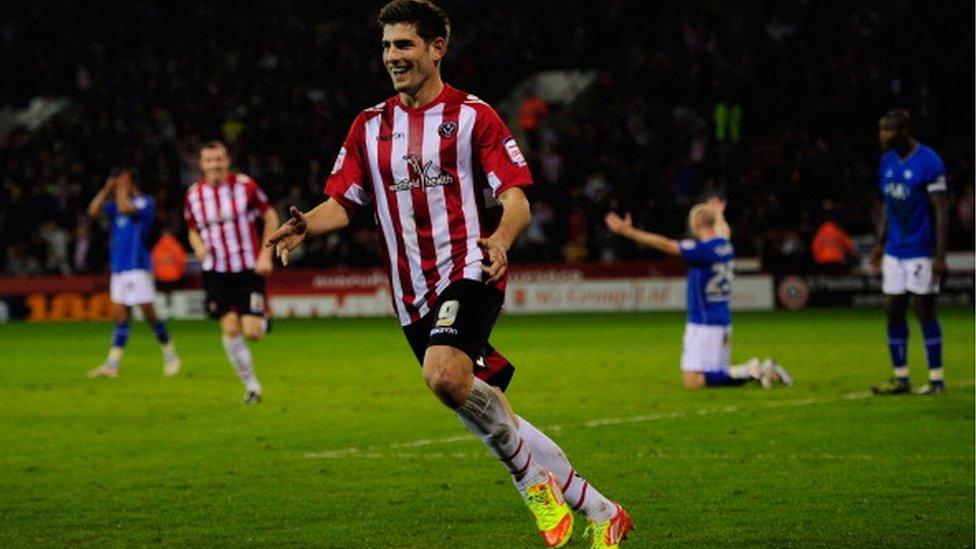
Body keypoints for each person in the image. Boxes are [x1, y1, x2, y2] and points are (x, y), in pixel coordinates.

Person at [267, 2, 631, 547]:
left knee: (444, 376)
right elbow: (344, 200)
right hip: (410, 293)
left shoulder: (475, 117)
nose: (393, 56)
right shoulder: (370, 125)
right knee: (486, 406)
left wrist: (501, 240)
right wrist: (307, 226)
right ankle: (603, 511)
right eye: (388, 45)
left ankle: (532, 481)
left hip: (470, 267)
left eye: (405, 44)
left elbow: (515, 198)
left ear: (438, 47)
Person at [604, 198, 793, 390]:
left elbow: (664, 244)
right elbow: (723, 231)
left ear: (696, 224)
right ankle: (756, 371)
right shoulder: (725, 246)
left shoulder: (702, 250)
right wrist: (719, 215)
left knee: (693, 381)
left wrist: (628, 232)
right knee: (716, 376)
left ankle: (754, 369)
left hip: (704, 324)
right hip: (722, 321)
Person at [183, 141, 279, 403]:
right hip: (216, 272)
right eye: (209, 161)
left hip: (248, 269)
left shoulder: (245, 186)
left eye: (219, 160)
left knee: (252, 333)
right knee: (230, 328)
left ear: (227, 161)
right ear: (201, 164)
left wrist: (265, 253)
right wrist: (199, 246)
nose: (215, 165)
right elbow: (192, 228)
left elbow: (270, 216)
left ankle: (263, 319)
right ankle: (252, 387)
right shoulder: (193, 194)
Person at [869, 110, 948, 396]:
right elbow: (889, 206)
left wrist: (940, 254)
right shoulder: (886, 161)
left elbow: (941, 210)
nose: (882, 135)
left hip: (921, 250)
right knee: (893, 309)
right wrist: (880, 243)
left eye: (887, 130)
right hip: (894, 250)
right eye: (881, 130)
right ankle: (901, 378)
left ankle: (936, 379)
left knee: (924, 310)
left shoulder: (929, 161)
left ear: (903, 130)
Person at [86, 167, 181, 378]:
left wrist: (122, 188)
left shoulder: (144, 202)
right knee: (120, 316)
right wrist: (105, 189)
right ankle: (112, 365)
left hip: (137, 267)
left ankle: (171, 356)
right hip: (119, 268)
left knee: (149, 314)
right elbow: (92, 211)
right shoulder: (114, 205)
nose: (119, 184)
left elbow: (124, 207)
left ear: (132, 182)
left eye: (122, 180)